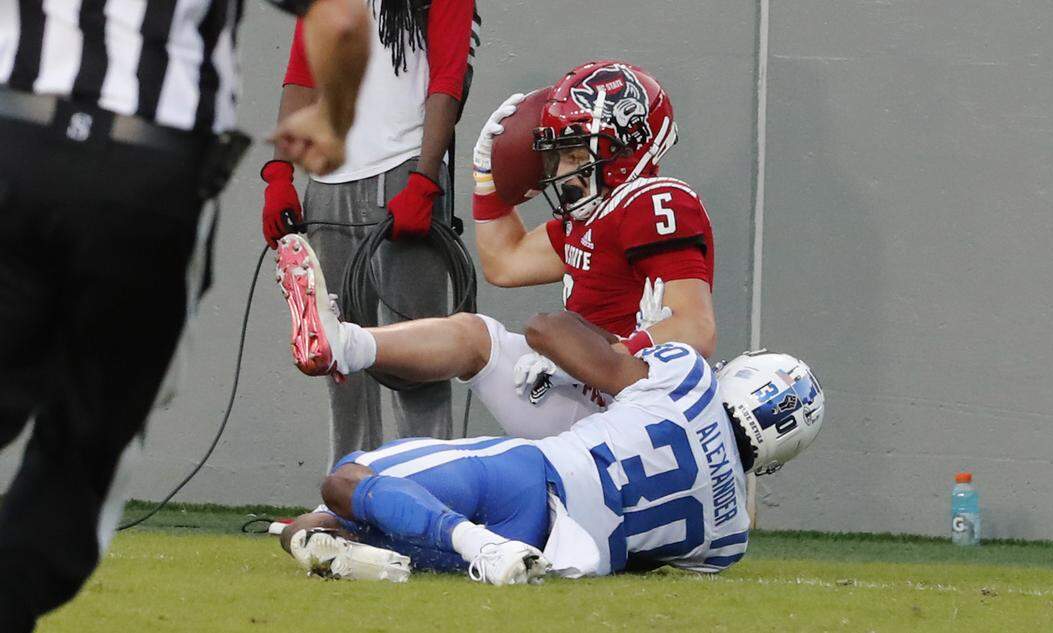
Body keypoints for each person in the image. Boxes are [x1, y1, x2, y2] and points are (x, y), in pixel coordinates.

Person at [0, 0, 371, 629]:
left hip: (12, 143)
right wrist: (333, 119)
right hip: (144, 175)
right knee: (84, 447)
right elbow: (341, 20)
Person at [278, 311, 825, 585]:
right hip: (554, 552)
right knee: (317, 526)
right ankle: (449, 548)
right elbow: (642, 561)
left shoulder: (689, 377)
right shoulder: (729, 544)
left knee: (346, 479)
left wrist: (619, 343)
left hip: (528, 477)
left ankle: (475, 543)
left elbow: (544, 330)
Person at [262, 0, 481, 460]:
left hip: (401, 173)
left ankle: (431, 488)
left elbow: (448, 76)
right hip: (325, 185)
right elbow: (302, 72)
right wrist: (279, 174)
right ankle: (349, 492)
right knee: (337, 355)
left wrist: (424, 179)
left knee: (418, 356)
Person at [471, 61, 718, 361]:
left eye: (575, 156)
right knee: (470, 336)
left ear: (626, 149)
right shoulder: (592, 217)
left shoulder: (651, 203)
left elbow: (695, 329)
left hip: (642, 389)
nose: (563, 171)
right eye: (560, 156)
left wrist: (588, 362)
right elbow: (504, 262)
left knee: (541, 331)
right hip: (598, 381)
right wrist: (486, 179)